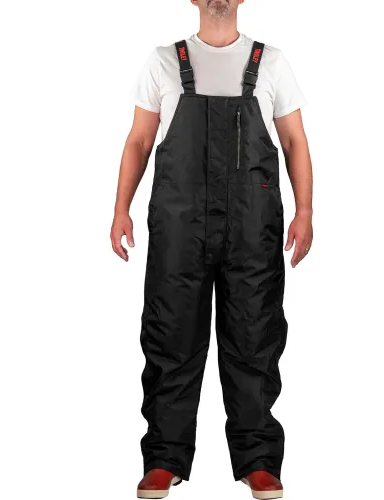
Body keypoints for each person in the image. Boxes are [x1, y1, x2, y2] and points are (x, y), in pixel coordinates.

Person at [110, 1, 313, 498]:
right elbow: (139, 141)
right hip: (180, 226)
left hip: (253, 228)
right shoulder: (163, 61)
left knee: (254, 339)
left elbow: (294, 141)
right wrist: (120, 209)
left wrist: (305, 211)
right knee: (170, 336)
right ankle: (164, 459)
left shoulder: (271, 62)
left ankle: (258, 461)